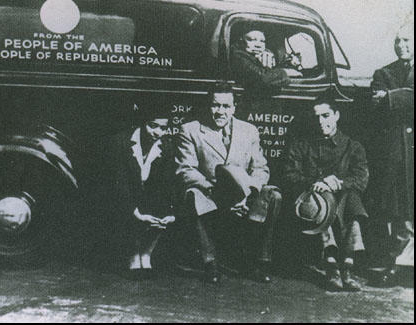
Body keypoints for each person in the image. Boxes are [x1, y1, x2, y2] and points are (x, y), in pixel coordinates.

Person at [175, 84, 282, 284]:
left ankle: (256, 262)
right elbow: (186, 170)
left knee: (273, 196)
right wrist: (216, 192)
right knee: (192, 195)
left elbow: (261, 168)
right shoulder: (190, 130)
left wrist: (249, 192)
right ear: (209, 106)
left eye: (226, 106)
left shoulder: (249, 131)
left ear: (234, 108)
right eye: (216, 105)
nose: (220, 111)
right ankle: (210, 262)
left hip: (244, 193)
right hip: (210, 192)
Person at [283, 94, 369, 291]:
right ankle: (332, 264)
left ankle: (347, 264)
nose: (321, 122)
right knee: (322, 204)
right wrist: (316, 183)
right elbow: (289, 175)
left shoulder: (352, 146)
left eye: (326, 115)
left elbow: (361, 179)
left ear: (336, 115)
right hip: (313, 201)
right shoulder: (302, 145)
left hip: (345, 199)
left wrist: (337, 183)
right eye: (317, 117)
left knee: (351, 199)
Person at [106, 108, 176, 278]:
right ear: (142, 123)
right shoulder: (120, 142)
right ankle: (132, 254)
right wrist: (135, 213)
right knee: (125, 208)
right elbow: (119, 184)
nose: (158, 132)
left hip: (146, 197)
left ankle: (146, 253)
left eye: (163, 128)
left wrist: (168, 213)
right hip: (123, 197)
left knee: (160, 208)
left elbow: (166, 185)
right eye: (153, 126)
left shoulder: (166, 147)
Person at [371, 24, 414, 286]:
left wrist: (391, 97)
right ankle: (398, 263)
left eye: (407, 40)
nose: (401, 45)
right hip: (399, 155)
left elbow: (386, 99)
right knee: (402, 211)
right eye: (397, 41)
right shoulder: (384, 72)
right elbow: (376, 102)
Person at [230, 29, 303, 96]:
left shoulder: (259, 55)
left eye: (262, 41)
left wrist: (290, 64)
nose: (258, 45)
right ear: (241, 40)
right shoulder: (237, 56)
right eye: (252, 40)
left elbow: (271, 71)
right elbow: (261, 78)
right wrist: (286, 72)